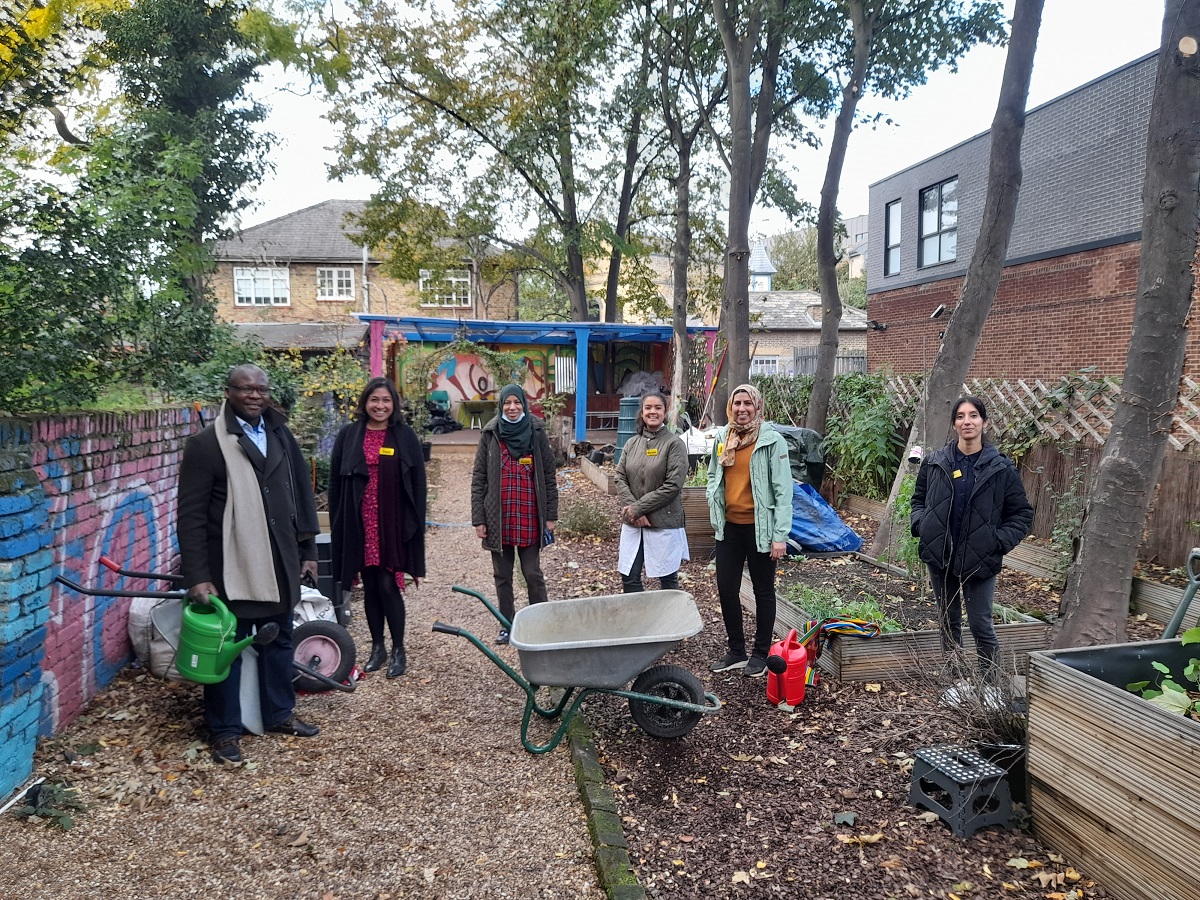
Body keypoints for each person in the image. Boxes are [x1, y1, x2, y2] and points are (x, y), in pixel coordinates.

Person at [177, 364, 322, 764]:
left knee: (279, 640)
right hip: (232, 566)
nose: (255, 396)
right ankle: (225, 732)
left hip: (278, 559)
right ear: (229, 393)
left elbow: (301, 494)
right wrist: (198, 576)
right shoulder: (207, 445)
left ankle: (279, 713)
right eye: (246, 389)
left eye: (261, 389)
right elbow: (189, 516)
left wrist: (307, 550)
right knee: (228, 650)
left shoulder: (279, 433)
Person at [910, 395, 1033, 678]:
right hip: (941, 556)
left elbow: (1022, 514)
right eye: (961, 416)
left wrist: (997, 541)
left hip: (981, 557)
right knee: (948, 621)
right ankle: (955, 680)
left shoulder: (1001, 467)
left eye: (974, 415)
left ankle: (988, 686)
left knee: (981, 624)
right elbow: (919, 499)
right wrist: (922, 525)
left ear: (984, 422)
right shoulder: (935, 462)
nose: (968, 421)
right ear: (954, 424)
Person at [329, 377, 427, 679]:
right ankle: (377, 647)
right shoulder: (349, 435)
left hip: (391, 522)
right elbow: (335, 482)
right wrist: (337, 523)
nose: (380, 406)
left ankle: (399, 649)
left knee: (388, 584)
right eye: (374, 400)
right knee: (370, 586)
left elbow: (418, 484)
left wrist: (415, 525)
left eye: (386, 400)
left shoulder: (404, 436)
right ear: (365, 403)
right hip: (360, 521)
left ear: (394, 403)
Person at [706, 383, 793, 678]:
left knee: (763, 592)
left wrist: (780, 535)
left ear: (757, 407)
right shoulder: (723, 437)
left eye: (747, 403)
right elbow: (712, 476)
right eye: (737, 403)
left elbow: (783, 491)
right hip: (729, 529)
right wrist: (713, 505)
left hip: (761, 529)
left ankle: (760, 653)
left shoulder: (771, 441)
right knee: (726, 589)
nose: (742, 409)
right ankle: (736, 651)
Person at [471, 384, 558, 644]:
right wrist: (479, 519)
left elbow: (549, 476)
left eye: (516, 403)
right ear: (501, 406)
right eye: (507, 403)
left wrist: (551, 514)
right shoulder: (491, 434)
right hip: (499, 517)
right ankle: (507, 624)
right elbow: (479, 478)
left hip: (529, 515)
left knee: (532, 573)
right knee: (502, 575)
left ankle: (540, 621)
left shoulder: (536, 431)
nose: (512, 408)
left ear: (524, 404)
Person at [615, 390, 689, 592]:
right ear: (642, 412)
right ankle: (639, 621)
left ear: (665, 412)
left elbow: (673, 485)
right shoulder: (632, 443)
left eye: (658, 408)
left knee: (667, 580)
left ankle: (669, 623)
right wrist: (633, 510)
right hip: (633, 522)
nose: (652, 412)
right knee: (629, 576)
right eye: (648, 408)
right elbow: (619, 476)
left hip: (662, 522)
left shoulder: (674, 444)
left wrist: (637, 508)